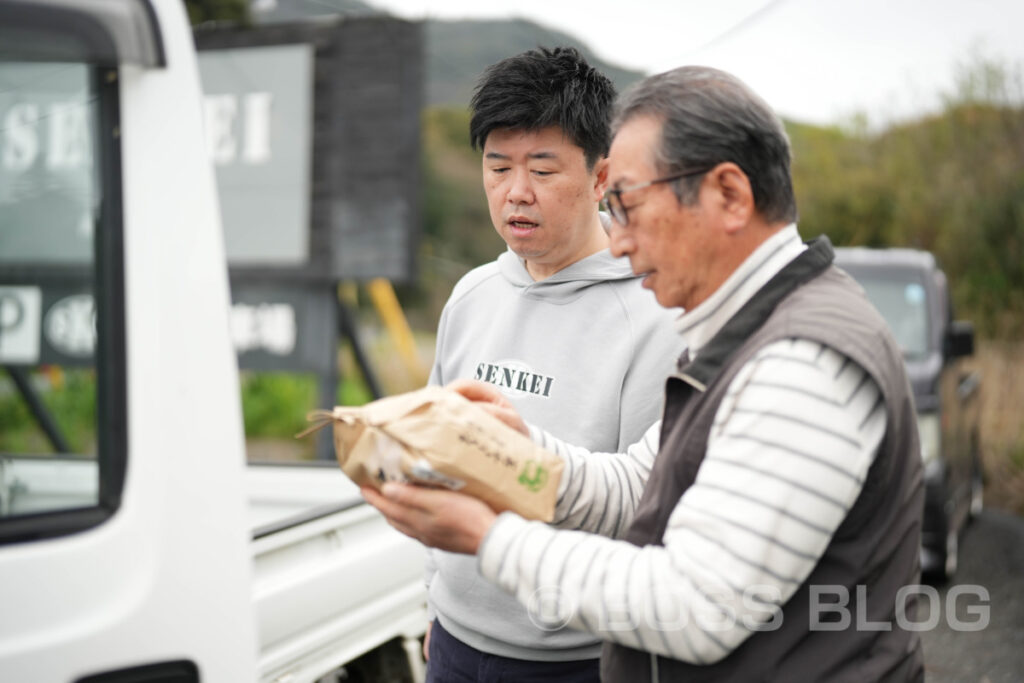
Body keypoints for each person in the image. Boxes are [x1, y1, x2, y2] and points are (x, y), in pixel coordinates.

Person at [366, 65, 925, 682]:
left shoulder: (802, 362)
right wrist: (520, 451)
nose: (621, 240)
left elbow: (697, 605)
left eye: (628, 203)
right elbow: (642, 478)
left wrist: (487, 538)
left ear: (729, 196)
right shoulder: (746, 329)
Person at [421, 47, 683, 681]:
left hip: (574, 658)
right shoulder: (472, 295)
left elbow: (646, 507)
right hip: (453, 639)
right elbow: (436, 456)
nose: (516, 191)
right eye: (498, 166)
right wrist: (430, 601)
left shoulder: (653, 315)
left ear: (601, 178)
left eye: (542, 169)